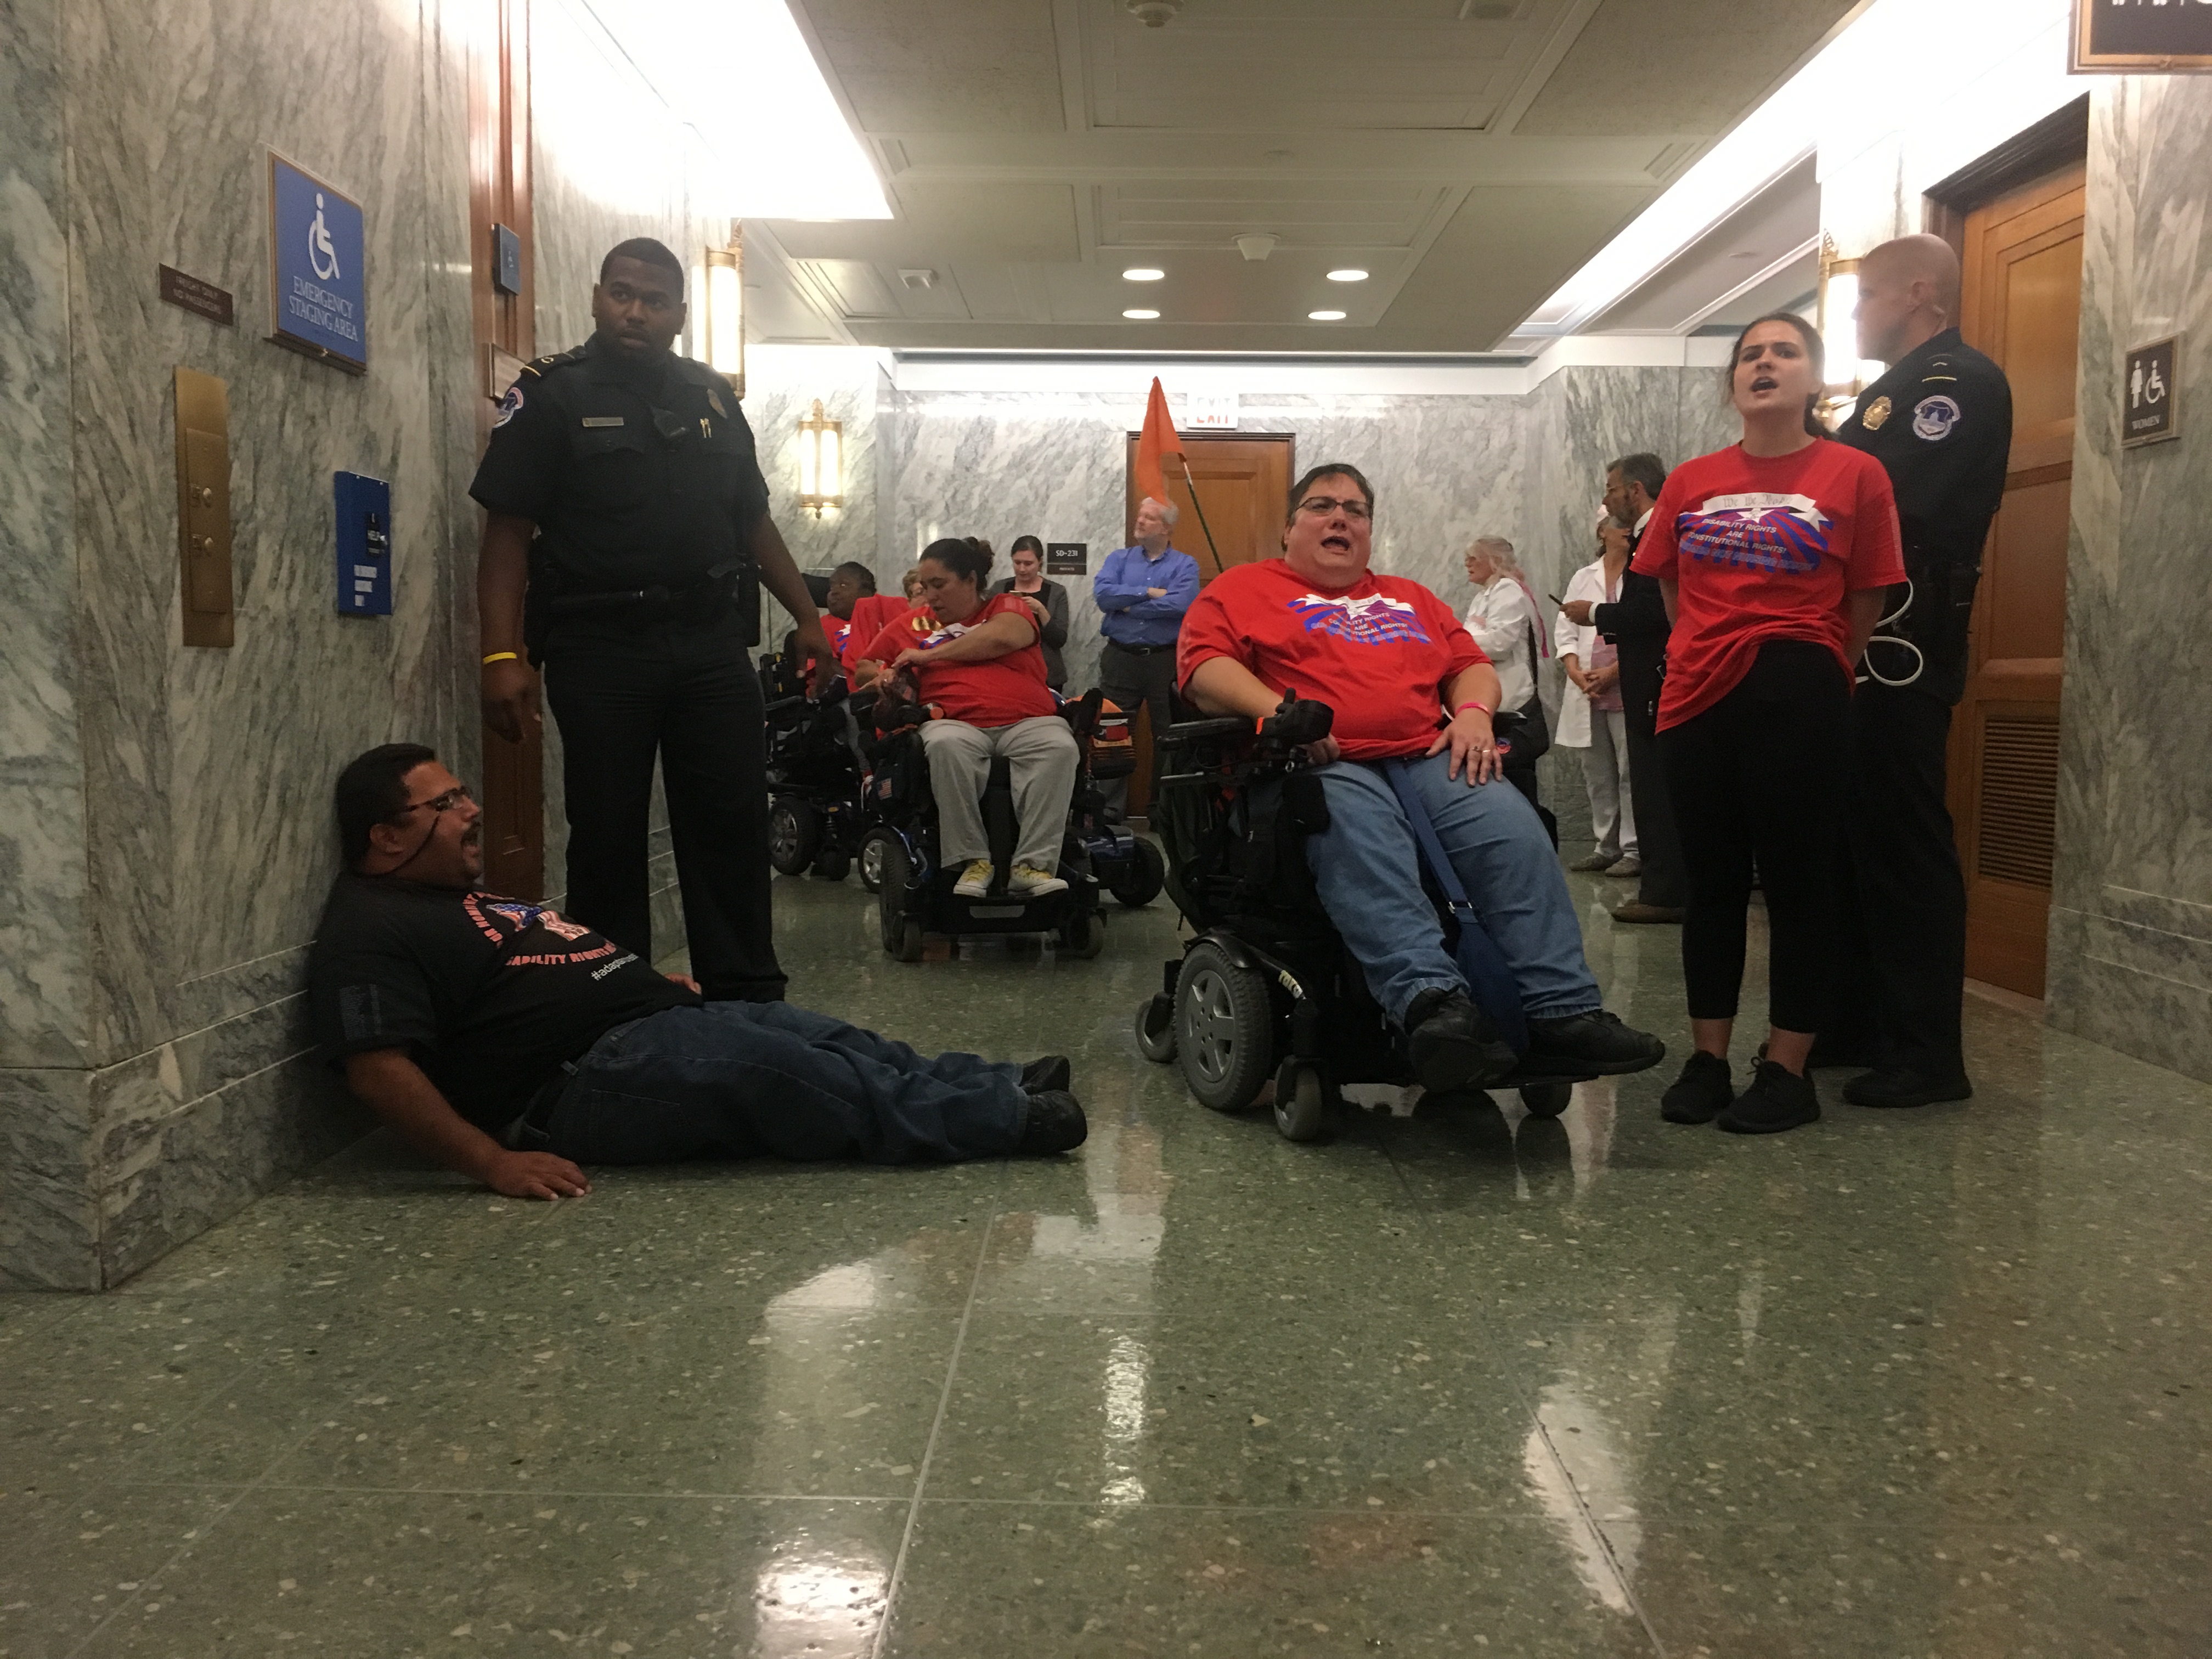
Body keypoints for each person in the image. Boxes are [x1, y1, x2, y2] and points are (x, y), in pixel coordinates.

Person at [309, 745, 1087, 1200]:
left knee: (824, 1036)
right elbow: (377, 1073)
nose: (471, 810)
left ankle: (998, 1081)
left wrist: (643, 985)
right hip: (576, 1082)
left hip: (639, 1026)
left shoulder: (446, 896)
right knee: (793, 1075)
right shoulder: (370, 928)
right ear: (385, 837)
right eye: (444, 804)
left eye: (463, 793)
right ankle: (1009, 1124)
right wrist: (492, 1163)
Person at [1177, 462, 1664, 1095]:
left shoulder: (1408, 597)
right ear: (1289, 529)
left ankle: (1559, 1011)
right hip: (1318, 761)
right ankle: (1432, 1006)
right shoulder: (1244, 588)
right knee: (1362, 831)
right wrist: (1279, 713)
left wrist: (1471, 714)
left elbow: (1470, 665)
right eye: (1323, 506)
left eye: (1356, 510)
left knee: (1514, 830)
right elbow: (1202, 668)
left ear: (1369, 532)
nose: (1340, 518)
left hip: (1425, 753)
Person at [471, 238, 830, 1005]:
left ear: (679, 314)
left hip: (707, 646)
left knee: (732, 827)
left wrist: (807, 615)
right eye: (622, 294)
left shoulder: (710, 398)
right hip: (601, 649)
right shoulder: (551, 395)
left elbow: (753, 522)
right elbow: (507, 535)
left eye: (654, 300)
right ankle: (617, 1011)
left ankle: (747, 1005)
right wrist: (501, 654)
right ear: (598, 296)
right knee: (606, 838)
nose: (635, 311)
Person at [1635, 313, 1905, 1135]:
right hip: (1696, 696)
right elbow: (1671, 588)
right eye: (1750, 355)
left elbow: (1867, 596)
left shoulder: (1857, 473)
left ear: (1814, 380)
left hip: (1800, 688)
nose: (1765, 364)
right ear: (1733, 384)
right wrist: (1702, 651)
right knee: (1711, 883)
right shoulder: (1689, 480)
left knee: (1797, 883)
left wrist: (1815, 661)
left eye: (1784, 352)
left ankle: (1786, 1069)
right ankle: (1708, 1058)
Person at [1828, 234, 2013, 1109]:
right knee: (1861, 832)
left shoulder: (1955, 385)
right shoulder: (1892, 391)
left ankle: (1929, 1052)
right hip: (1865, 644)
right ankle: (1867, 1020)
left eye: (1865, 296)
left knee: (1905, 840)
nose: (1856, 312)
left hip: (1906, 642)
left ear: (1918, 292)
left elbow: (1890, 504)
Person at [854, 538, 1081, 899]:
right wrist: (880, 676)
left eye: (939, 585)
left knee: (1060, 746)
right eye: (926, 587)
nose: (930, 596)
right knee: (944, 745)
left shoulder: (1006, 606)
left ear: (971, 580)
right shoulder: (914, 622)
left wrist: (928, 656)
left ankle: (1032, 866)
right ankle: (973, 861)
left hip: (1027, 720)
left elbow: (1004, 637)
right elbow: (864, 665)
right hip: (954, 722)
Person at [1562, 455, 1686, 923]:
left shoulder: (1659, 532)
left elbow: (1653, 612)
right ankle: (1661, 884)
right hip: (1644, 677)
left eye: (1611, 488)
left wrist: (1594, 615)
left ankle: (1664, 891)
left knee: (1653, 785)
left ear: (1635, 490)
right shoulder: (1649, 534)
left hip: (1655, 677)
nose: (1605, 499)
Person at [1093, 497, 1201, 821]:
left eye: (1149, 517)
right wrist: (1149, 593)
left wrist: (1127, 604)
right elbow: (1104, 596)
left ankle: (1162, 811)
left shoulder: (1185, 565)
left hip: (1164, 661)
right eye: (1139, 515)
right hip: (1120, 658)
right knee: (1111, 732)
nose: (1139, 521)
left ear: (1166, 527)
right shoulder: (1119, 559)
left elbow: (1181, 605)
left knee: (1168, 735)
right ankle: (1110, 811)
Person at [1556, 519, 1638, 876]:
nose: (1626, 531)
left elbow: (1646, 629)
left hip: (1625, 684)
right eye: (1618, 526)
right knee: (1598, 774)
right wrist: (1575, 673)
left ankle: (1633, 850)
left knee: (1629, 773)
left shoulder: (1641, 573)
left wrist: (1613, 673)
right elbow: (1567, 630)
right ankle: (1605, 846)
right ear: (1602, 532)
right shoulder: (1582, 576)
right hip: (1588, 689)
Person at [1458, 536, 1549, 810]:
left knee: (1515, 776)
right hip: (1492, 696)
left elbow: (1500, 642)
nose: (1468, 563)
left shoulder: (1508, 589)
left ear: (1494, 561)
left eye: (1475, 557)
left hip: (1511, 698)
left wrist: (1456, 642)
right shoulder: (1483, 595)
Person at [990, 535, 1071, 691]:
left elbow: (1060, 639)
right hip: (1006, 668)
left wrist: (1041, 610)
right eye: (1017, 563)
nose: (1022, 569)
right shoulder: (1000, 588)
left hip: (1047, 673)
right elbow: (985, 627)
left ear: (1040, 562)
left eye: (1028, 564)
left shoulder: (1056, 592)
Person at [842, 566, 925, 685]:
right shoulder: (899, 623)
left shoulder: (952, 622)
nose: (929, 597)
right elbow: (862, 668)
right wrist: (885, 673)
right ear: (909, 599)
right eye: (921, 592)